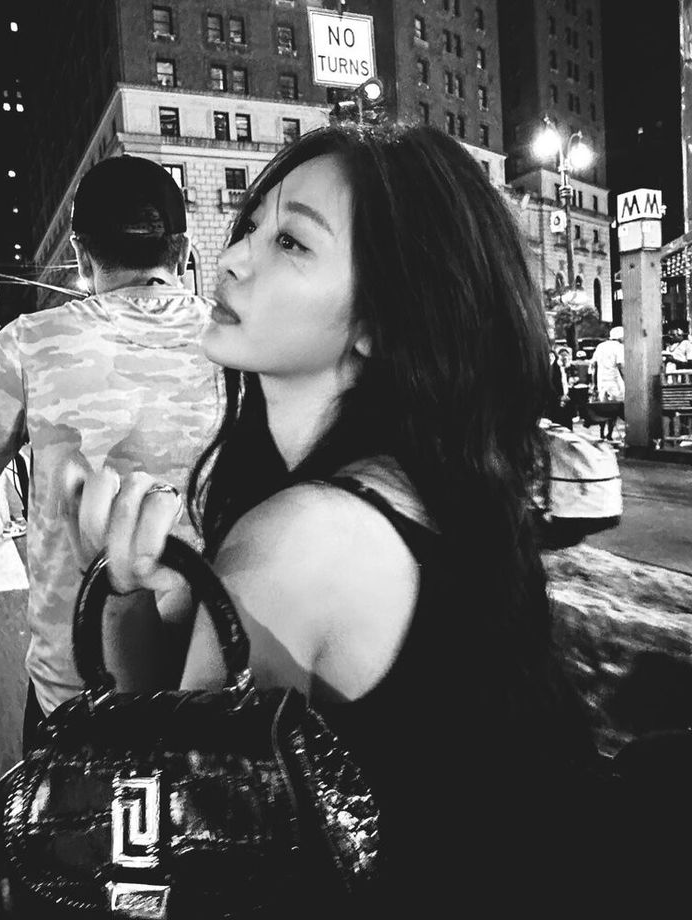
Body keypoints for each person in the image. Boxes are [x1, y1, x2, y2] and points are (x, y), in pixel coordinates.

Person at [63, 125, 605, 909]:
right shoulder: (417, 492)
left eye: (290, 242)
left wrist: (120, 601)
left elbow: (173, 852)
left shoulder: (300, 539)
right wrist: (150, 593)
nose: (232, 258)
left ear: (381, 319)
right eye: (250, 228)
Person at [0, 155, 219, 754]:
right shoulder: (237, 341)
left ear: (79, 254)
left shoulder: (26, 342)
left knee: (56, 841)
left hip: (76, 692)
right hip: (208, 676)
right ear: (181, 254)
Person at [590, 326, 625, 440]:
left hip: (602, 383)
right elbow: (620, 365)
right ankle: (609, 434)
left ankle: (601, 433)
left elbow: (594, 365)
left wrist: (594, 384)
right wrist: (627, 380)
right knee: (614, 410)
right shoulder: (619, 347)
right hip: (615, 383)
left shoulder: (601, 346)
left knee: (603, 410)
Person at [548, 346, 576, 429]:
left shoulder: (570, 368)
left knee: (567, 421)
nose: (564, 357)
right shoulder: (554, 368)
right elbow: (552, 384)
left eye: (566, 355)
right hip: (557, 399)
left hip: (568, 398)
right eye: (562, 355)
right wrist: (559, 397)